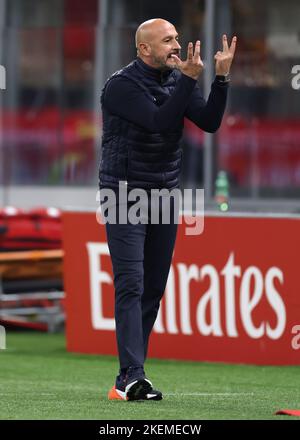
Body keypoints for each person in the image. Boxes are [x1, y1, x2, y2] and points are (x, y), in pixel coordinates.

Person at [98, 18, 236, 401]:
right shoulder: (121, 86)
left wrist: (220, 79)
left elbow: (208, 122)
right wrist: (190, 79)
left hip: (164, 195)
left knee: (153, 288)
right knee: (132, 283)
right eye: (167, 41)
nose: (177, 45)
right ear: (144, 49)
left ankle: (128, 377)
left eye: (177, 38)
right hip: (124, 195)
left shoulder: (177, 79)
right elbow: (159, 122)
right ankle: (132, 376)